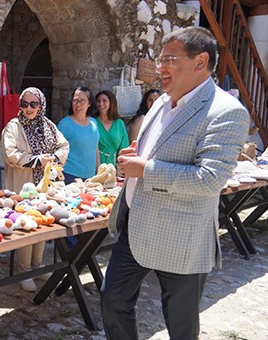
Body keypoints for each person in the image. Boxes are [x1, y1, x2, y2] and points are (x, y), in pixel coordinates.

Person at [101, 27, 250, 340]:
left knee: (180, 324)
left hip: (182, 236)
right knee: (113, 301)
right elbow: (155, 151)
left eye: (169, 59)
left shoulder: (226, 112)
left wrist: (146, 168)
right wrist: (135, 155)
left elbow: (210, 178)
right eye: (160, 59)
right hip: (136, 226)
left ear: (200, 62)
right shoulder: (160, 103)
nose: (160, 67)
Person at [2, 87, 69, 292]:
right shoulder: (13, 126)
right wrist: (37, 160)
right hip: (24, 184)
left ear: (41, 105)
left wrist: (53, 159)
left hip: (45, 185)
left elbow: (63, 146)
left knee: (42, 222)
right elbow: (10, 154)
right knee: (26, 223)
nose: (29, 108)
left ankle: (37, 266)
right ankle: (24, 270)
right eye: (24, 104)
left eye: (34, 104)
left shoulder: (48, 125)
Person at [56, 86, 99, 184]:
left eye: (82, 101)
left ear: (89, 103)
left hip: (91, 177)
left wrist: (99, 170)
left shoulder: (94, 123)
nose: (78, 104)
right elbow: (57, 150)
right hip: (70, 176)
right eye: (75, 100)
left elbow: (95, 148)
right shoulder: (64, 124)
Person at [95, 90, 129, 166]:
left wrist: (120, 168)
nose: (101, 104)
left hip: (114, 166)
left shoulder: (119, 123)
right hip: (96, 165)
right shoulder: (92, 122)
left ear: (111, 103)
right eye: (98, 101)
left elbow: (124, 148)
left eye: (104, 101)